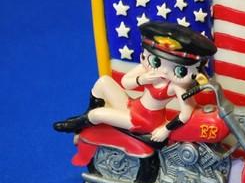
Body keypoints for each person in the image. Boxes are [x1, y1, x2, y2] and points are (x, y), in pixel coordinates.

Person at [54, 21, 217, 142]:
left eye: (179, 70)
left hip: (145, 121)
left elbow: (186, 113)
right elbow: (126, 83)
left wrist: (165, 130)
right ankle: (88, 123)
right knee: (103, 82)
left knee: (97, 114)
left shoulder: (175, 86)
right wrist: (142, 79)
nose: (164, 71)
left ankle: (81, 123)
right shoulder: (146, 70)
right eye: (156, 62)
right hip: (132, 106)